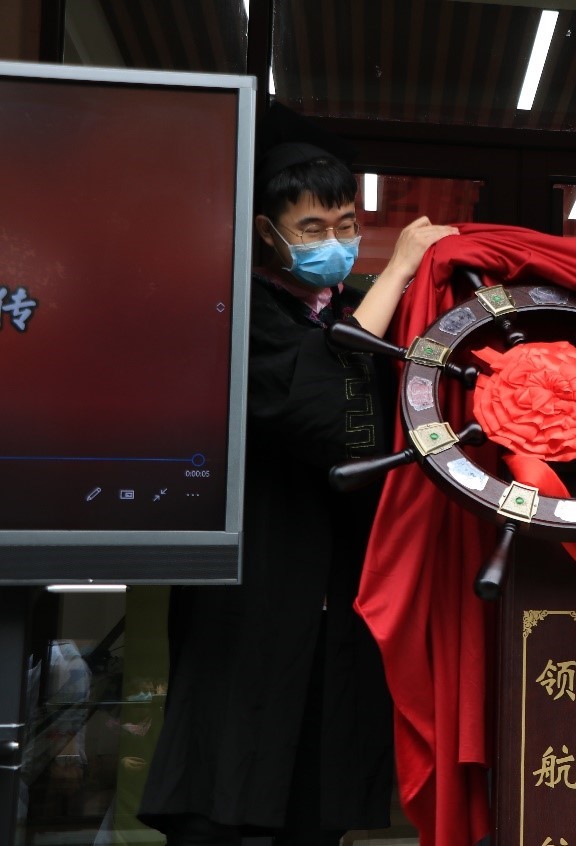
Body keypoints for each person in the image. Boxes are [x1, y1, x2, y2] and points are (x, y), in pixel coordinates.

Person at [137, 138, 457, 845]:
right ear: (265, 231)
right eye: (312, 228)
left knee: (324, 762)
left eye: (346, 224)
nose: (334, 243)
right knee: (231, 756)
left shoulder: (349, 307)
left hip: (341, 576)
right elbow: (316, 406)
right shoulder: (234, 309)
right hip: (256, 563)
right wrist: (398, 269)